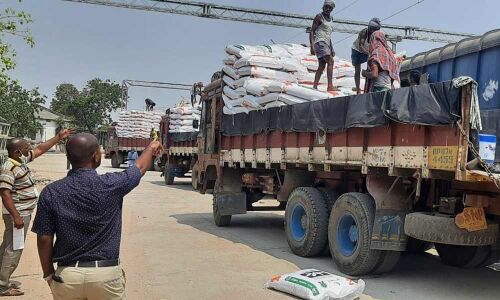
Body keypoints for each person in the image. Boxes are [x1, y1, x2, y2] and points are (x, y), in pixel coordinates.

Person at [31, 133, 162, 300]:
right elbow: (139, 168)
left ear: (68, 156)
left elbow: (44, 238)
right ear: (95, 156)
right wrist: (151, 148)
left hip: (68, 276)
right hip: (105, 275)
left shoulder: (51, 192)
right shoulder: (112, 184)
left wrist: (48, 274)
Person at [0, 129, 73, 297]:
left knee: (7, 247)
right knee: (13, 249)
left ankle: (1, 279)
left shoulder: (19, 160)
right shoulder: (9, 167)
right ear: (17, 151)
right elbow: (4, 193)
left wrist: (58, 137)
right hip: (18, 214)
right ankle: (2, 286)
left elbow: (40, 149)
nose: (30, 148)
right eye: (27, 146)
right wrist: (16, 216)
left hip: (21, 212)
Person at [310, 0, 336, 91]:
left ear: (332, 9)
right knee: (331, 61)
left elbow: (328, 35)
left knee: (321, 65)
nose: (328, 9)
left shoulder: (331, 19)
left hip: (326, 43)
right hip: (320, 41)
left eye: (330, 8)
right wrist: (312, 46)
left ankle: (315, 86)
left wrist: (331, 48)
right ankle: (330, 86)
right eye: (326, 7)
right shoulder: (319, 17)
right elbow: (312, 31)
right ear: (323, 7)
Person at [351, 18, 381, 94]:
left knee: (370, 68)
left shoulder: (376, 35)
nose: (372, 31)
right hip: (357, 51)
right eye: (371, 29)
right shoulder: (364, 32)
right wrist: (369, 53)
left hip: (367, 52)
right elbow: (361, 45)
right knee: (357, 70)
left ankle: (367, 87)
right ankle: (358, 89)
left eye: (374, 29)